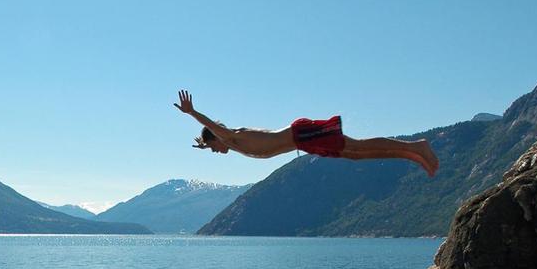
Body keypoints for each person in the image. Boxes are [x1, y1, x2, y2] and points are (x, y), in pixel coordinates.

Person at [174, 90, 439, 176]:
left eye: (212, 148)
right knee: (354, 155)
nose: (216, 152)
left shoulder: (233, 135)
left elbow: (214, 129)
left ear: (216, 137)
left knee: (356, 147)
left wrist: (192, 113)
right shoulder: (235, 145)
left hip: (302, 134)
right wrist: (203, 142)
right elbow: (213, 136)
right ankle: (412, 154)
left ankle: (417, 146)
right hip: (303, 143)